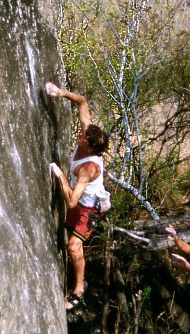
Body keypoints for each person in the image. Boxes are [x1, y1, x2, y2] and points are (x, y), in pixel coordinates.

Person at [46, 82, 110, 311]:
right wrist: (61, 93)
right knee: (67, 236)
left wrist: (60, 175)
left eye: (82, 137)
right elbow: (82, 101)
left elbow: (71, 200)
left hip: (90, 208)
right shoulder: (89, 133)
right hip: (80, 203)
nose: (80, 135)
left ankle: (79, 289)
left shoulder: (89, 168)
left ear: (91, 148)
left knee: (74, 246)